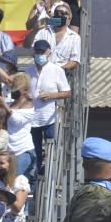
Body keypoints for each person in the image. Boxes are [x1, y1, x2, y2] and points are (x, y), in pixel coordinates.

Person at [26, 39, 71, 174]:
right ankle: (36, 176)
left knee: (52, 147)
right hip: (32, 118)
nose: (39, 54)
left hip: (50, 117)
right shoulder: (28, 71)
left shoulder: (56, 70)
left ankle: (53, 172)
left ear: (48, 52)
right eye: (37, 51)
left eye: (42, 52)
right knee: (35, 150)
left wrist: (51, 95)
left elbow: (67, 92)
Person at [0, 73, 36, 184]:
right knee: (7, 182)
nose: (13, 91)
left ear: (25, 90)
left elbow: (16, 120)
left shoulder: (29, 104)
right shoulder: (11, 104)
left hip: (23, 150)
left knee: (15, 182)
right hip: (9, 151)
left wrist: (5, 105)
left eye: (16, 89)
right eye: (12, 88)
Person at [27, 1, 80, 71]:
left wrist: (59, 70)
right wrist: (34, 30)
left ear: (69, 18)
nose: (60, 15)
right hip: (43, 72)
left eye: (64, 13)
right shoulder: (43, 32)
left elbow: (75, 61)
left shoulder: (75, 38)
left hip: (62, 76)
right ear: (53, 16)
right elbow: (27, 45)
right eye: (57, 13)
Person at [0, 151, 28, 222]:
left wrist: (7, 194)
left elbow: (17, 209)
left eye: (2, 163)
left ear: (10, 165)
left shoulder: (20, 181)